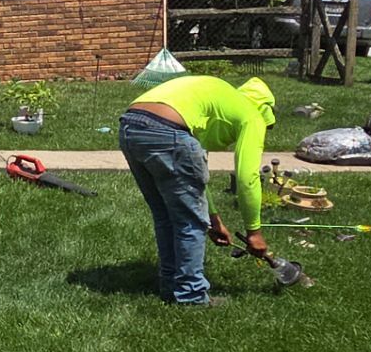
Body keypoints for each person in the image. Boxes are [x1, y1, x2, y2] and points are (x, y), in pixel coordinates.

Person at [118, 75, 275, 306]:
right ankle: (191, 296)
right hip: (167, 128)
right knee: (188, 223)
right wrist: (254, 232)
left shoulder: (218, 100)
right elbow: (247, 178)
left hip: (130, 125)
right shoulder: (251, 115)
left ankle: (170, 286)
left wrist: (213, 219)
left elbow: (195, 177)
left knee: (166, 215)